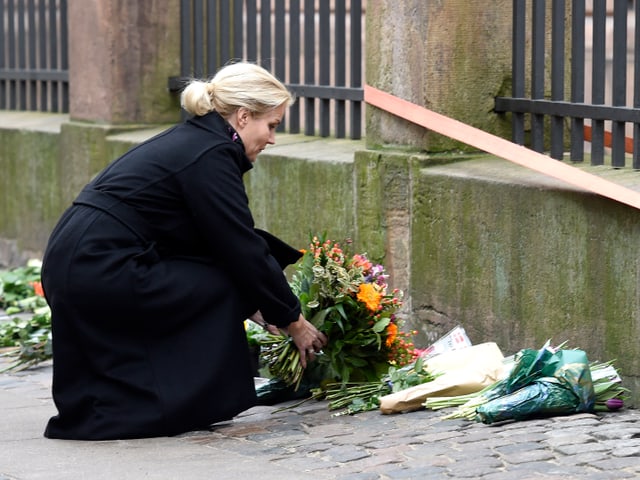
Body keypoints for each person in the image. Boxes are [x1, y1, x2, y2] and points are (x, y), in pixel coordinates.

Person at [40, 62, 327, 440]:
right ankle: (180, 403)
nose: (272, 138)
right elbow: (240, 246)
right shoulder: (210, 154)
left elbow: (212, 240)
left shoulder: (198, 142)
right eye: (271, 125)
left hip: (77, 261)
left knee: (218, 282)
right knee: (220, 285)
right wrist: (293, 321)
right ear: (243, 117)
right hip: (99, 267)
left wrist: (257, 300)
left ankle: (133, 403)